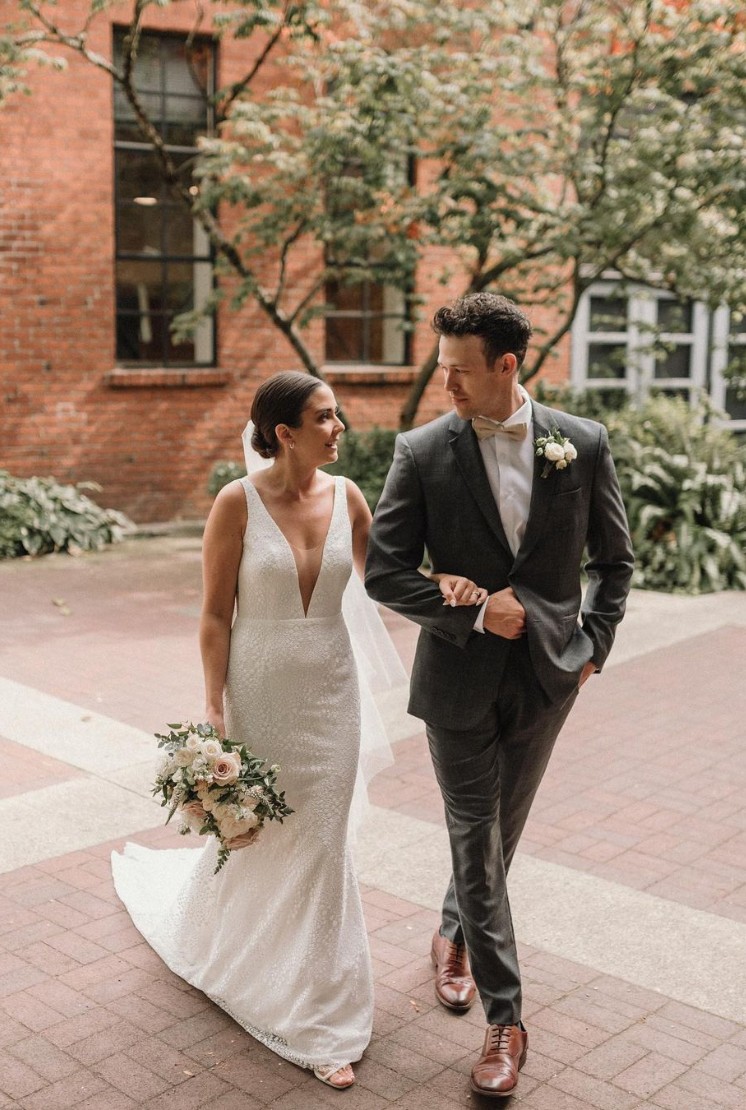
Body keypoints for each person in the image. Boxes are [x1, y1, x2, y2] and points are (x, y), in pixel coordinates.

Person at [365, 293, 634, 1099]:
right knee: (476, 834)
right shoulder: (421, 452)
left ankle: (455, 931)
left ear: (507, 365)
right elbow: (385, 572)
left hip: (551, 679)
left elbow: (613, 563)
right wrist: (478, 607)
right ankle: (506, 1019)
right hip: (455, 680)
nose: (443, 385)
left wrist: (594, 649)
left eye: (457, 372)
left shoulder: (580, 445)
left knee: (498, 834)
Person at [113, 371, 404, 1090]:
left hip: (332, 692)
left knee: (324, 839)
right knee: (265, 835)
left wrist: (459, 592)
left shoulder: (351, 499)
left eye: (337, 415)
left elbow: (395, 582)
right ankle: (241, 954)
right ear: (285, 432)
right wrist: (214, 705)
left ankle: (320, 1015)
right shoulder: (235, 504)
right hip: (260, 687)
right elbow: (215, 613)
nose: (341, 428)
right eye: (326, 417)